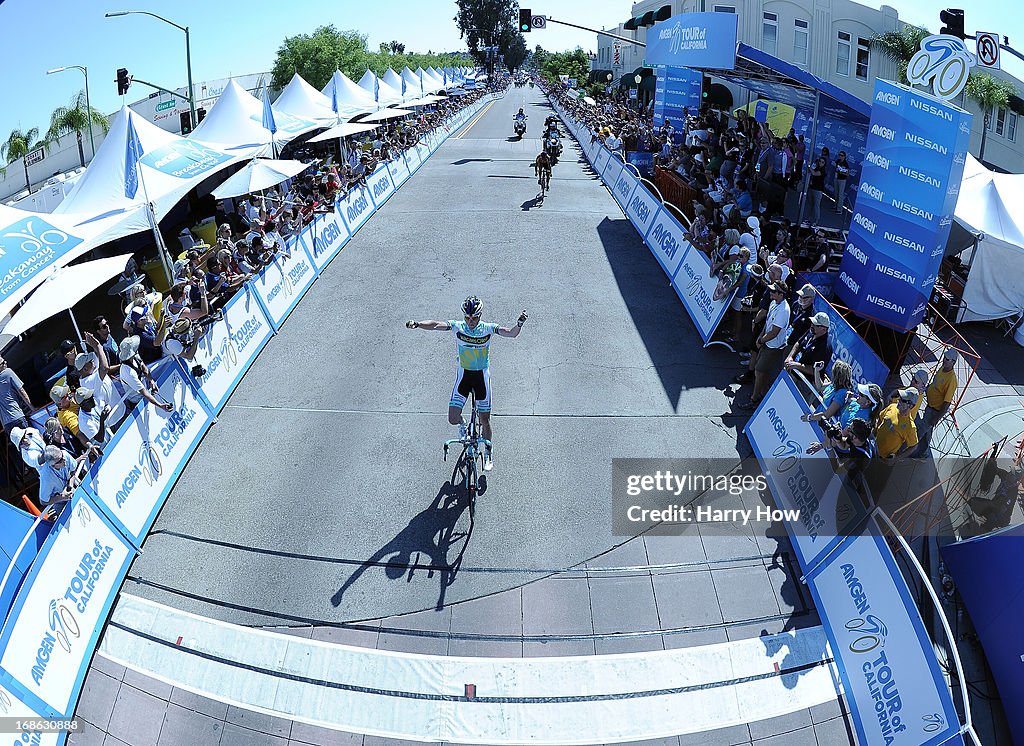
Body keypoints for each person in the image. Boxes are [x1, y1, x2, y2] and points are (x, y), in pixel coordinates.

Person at [405, 297, 527, 471]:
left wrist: (520, 323)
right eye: (467, 317)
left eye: (474, 317)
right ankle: (463, 425)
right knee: (452, 418)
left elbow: (512, 333)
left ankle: (488, 452)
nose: (470, 321)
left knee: (485, 420)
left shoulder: (488, 328)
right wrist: (417, 324)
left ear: (480, 315)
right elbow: (435, 324)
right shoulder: (457, 326)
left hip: (481, 377)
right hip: (464, 376)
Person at [741, 282, 790, 410]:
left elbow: (774, 332)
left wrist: (761, 340)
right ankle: (762, 394)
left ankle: (754, 399)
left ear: (781, 294)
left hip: (773, 347)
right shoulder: (774, 303)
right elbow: (768, 323)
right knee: (764, 371)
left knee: (759, 370)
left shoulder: (783, 310)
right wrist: (761, 336)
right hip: (767, 342)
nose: (771, 293)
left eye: (774, 291)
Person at [912, 348, 959, 457]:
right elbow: (935, 383)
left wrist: (936, 418)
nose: (944, 360)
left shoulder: (952, 380)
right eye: (944, 357)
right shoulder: (943, 368)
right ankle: (924, 453)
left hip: (934, 411)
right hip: (930, 406)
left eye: (947, 359)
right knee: (927, 432)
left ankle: (910, 450)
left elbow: (947, 403)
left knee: (921, 430)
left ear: (953, 362)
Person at [118, 337, 174, 412]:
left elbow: (144, 368)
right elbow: (144, 393)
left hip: (146, 392)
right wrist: (160, 406)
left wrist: (151, 381)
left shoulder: (135, 356)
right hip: (136, 401)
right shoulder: (128, 373)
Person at [37, 445, 89, 513]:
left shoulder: (64, 454)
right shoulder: (46, 476)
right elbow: (43, 501)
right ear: (53, 465)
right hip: (59, 501)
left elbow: (73, 471)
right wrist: (62, 497)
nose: (64, 460)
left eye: (62, 456)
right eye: (60, 460)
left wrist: (70, 485)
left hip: (70, 489)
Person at [875, 389, 919, 461]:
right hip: (873, 446)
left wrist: (896, 458)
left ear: (911, 406)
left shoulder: (910, 427)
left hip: (883, 459)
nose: (899, 401)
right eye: (900, 398)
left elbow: (914, 446)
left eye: (903, 400)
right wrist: (874, 433)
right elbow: (880, 417)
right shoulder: (892, 407)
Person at [784, 312, 832, 379]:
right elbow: (798, 342)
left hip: (803, 380)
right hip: (792, 369)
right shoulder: (812, 331)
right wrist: (790, 356)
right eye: (812, 323)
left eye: (815, 324)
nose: (812, 325)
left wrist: (797, 365)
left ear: (824, 329)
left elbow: (815, 370)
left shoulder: (825, 347)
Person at [0, 356, 34, 433]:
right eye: (3, 363)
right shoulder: (8, 372)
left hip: (7, 424)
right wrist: (33, 409)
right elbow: (21, 391)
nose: (6, 363)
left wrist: (4, 427)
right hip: (18, 417)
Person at [807, 157, 827, 226]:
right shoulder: (816, 167)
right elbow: (810, 172)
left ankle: (816, 221)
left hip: (818, 190)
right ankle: (809, 219)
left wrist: (809, 166)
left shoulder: (823, 170)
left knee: (816, 206)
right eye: (820, 161)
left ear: (824, 164)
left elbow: (814, 173)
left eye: (822, 162)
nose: (820, 163)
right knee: (810, 205)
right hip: (812, 188)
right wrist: (811, 167)